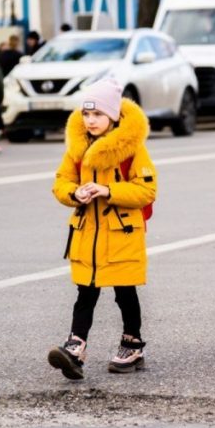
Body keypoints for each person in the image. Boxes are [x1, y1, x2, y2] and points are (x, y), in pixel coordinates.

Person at [47, 79, 157, 380]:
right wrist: (74, 193)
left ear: (114, 117)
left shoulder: (130, 149)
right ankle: (75, 347)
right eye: (86, 114)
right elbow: (61, 182)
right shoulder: (77, 147)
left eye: (98, 115)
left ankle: (132, 343)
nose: (90, 121)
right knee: (86, 292)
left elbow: (146, 191)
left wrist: (108, 190)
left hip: (120, 233)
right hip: (88, 234)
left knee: (125, 291)